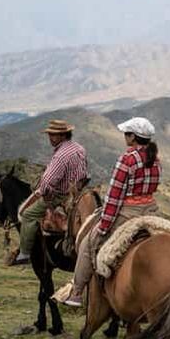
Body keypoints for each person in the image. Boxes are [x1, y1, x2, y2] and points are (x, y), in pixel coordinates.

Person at [57, 116, 162, 307]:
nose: (124, 137)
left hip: (128, 213)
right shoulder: (156, 159)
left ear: (132, 137)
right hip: (151, 211)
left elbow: (114, 197)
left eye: (126, 134)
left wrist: (104, 225)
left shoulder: (127, 159)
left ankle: (77, 292)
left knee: (88, 244)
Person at [9, 119, 88, 265]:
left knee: (27, 215)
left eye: (54, 135)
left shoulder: (60, 156)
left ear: (63, 135)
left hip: (59, 195)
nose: (50, 138)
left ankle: (25, 253)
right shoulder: (79, 148)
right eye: (50, 134)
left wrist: (41, 193)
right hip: (79, 192)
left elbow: (47, 183)